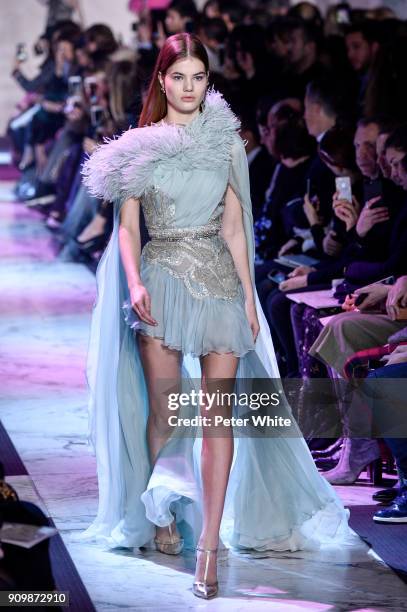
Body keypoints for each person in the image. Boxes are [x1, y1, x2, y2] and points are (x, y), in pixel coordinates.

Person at [79, 33, 353, 600]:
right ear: (161, 81)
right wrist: (132, 283)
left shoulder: (227, 143)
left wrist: (250, 297)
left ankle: (208, 543)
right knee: (166, 412)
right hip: (158, 281)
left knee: (216, 416)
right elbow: (128, 228)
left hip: (220, 283)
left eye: (197, 77)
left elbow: (236, 224)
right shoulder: (136, 148)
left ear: (208, 82)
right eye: (177, 77)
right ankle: (158, 507)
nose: (187, 87)